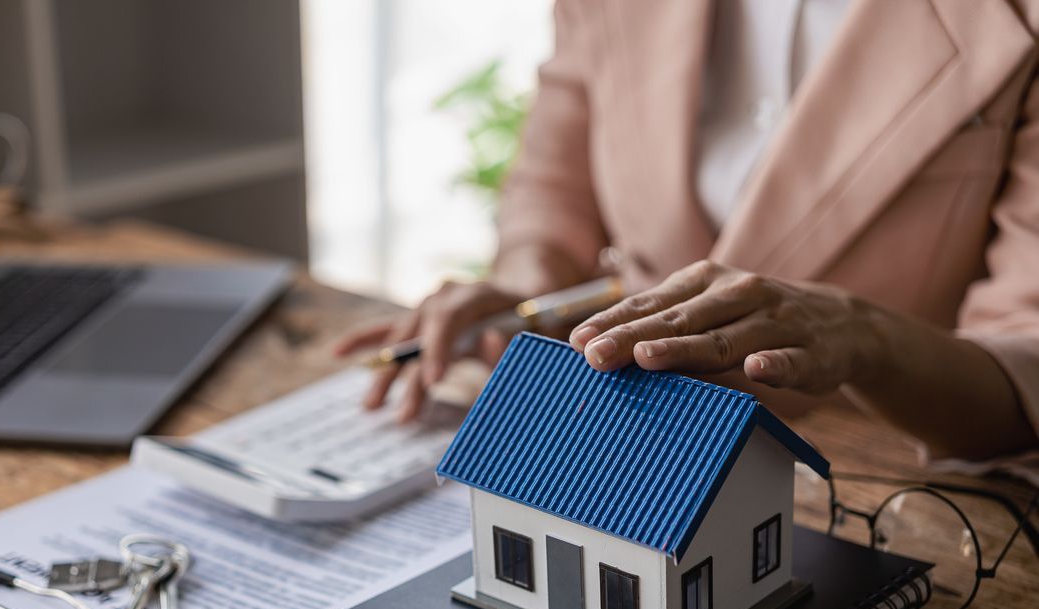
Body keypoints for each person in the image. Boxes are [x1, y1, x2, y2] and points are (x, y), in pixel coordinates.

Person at [336, 0, 1039, 462]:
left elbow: (1024, 366)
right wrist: (530, 274)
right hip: (624, 429)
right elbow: (555, 180)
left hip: (884, 474)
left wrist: (868, 340)